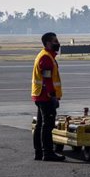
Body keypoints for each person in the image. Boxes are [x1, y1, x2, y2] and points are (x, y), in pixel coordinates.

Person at [31, 32, 65, 162]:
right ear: (48, 43)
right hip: (45, 97)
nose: (58, 43)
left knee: (40, 125)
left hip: (40, 95)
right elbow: (47, 79)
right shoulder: (46, 57)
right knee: (47, 125)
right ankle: (48, 153)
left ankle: (39, 152)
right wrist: (53, 96)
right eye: (55, 41)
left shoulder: (45, 55)